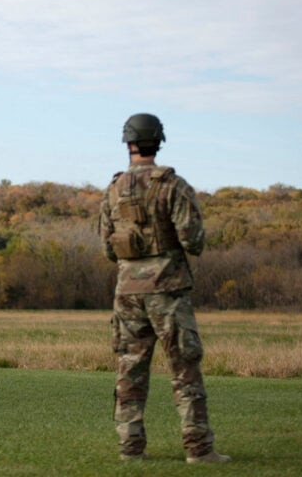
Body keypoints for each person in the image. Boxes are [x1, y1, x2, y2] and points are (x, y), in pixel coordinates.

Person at [98, 113, 230, 464]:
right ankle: (199, 450)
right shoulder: (174, 186)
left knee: (129, 370)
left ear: (128, 143)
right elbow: (194, 241)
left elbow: (108, 248)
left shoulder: (112, 190)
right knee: (184, 369)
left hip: (127, 293)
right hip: (168, 292)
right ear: (158, 142)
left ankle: (130, 449)